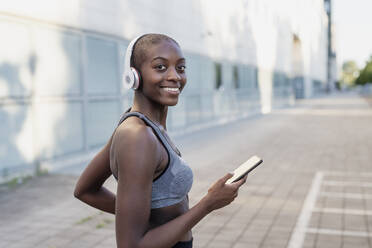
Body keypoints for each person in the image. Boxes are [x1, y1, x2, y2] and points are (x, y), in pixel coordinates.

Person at [74, 33, 247, 248]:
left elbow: (85, 189)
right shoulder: (137, 136)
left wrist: (142, 214)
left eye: (181, 68)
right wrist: (208, 204)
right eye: (160, 67)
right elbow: (131, 246)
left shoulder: (146, 127)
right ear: (134, 76)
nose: (175, 76)